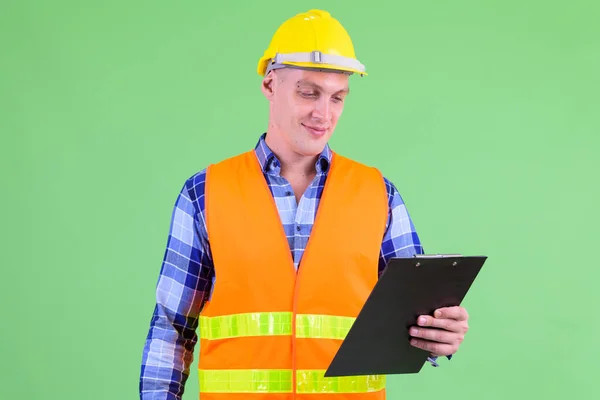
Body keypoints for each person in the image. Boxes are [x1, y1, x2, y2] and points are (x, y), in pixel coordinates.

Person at [139, 9, 470, 400]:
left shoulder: (380, 194)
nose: (323, 113)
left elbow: (411, 319)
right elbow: (171, 327)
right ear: (269, 84)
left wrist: (437, 334)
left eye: (337, 97)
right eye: (308, 92)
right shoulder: (204, 192)